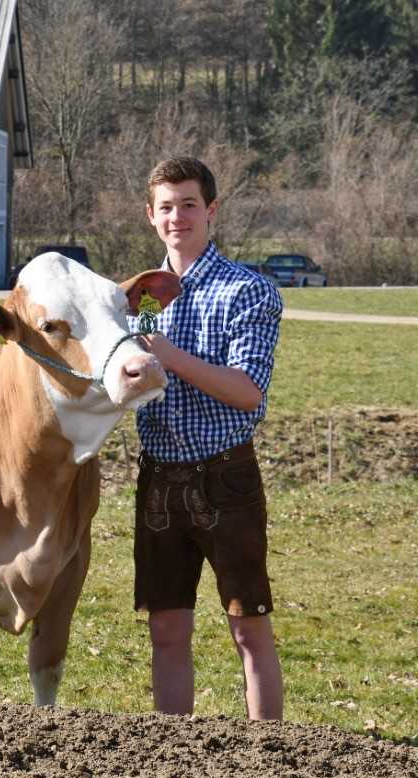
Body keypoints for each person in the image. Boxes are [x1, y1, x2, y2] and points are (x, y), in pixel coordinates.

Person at [134, 156, 284, 720]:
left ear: (211, 210)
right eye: (166, 207)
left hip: (226, 477)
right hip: (158, 481)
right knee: (166, 628)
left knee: (248, 625)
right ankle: (177, 756)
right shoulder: (143, 297)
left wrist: (167, 356)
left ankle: (269, 755)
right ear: (151, 216)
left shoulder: (248, 291)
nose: (178, 217)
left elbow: (248, 391)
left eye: (189, 204)